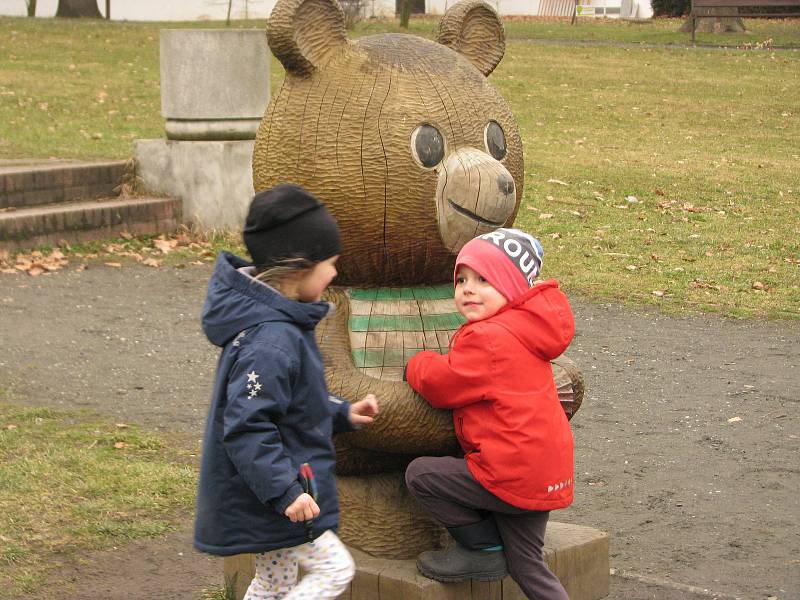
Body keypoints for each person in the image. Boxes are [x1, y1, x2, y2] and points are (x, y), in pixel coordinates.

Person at [194, 184, 379, 600]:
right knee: (335, 569)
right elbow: (247, 425)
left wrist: (342, 413)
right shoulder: (271, 340)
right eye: (329, 264)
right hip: (276, 493)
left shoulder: (281, 326)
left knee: (276, 581)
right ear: (299, 268)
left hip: (275, 490)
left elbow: (292, 401)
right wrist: (285, 491)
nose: (335, 274)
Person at [404, 227, 574, 600]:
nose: (468, 288)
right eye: (462, 279)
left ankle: (481, 548)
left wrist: (418, 363)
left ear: (511, 289)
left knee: (422, 475)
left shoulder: (488, 337)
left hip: (511, 472)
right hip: (545, 473)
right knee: (528, 564)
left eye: (484, 280)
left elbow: (444, 384)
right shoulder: (526, 331)